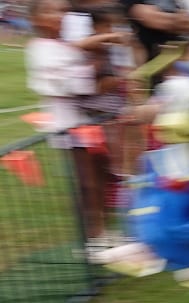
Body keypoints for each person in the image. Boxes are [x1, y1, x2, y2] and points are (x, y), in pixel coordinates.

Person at [25, 0, 127, 261]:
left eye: (61, 10)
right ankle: (91, 239)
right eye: (49, 11)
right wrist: (90, 72)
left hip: (92, 124)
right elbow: (66, 85)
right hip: (71, 127)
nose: (58, 16)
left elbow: (84, 80)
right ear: (36, 19)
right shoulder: (40, 49)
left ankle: (103, 232)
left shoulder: (65, 45)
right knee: (87, 184)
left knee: (103, 178)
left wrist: (89, 73)